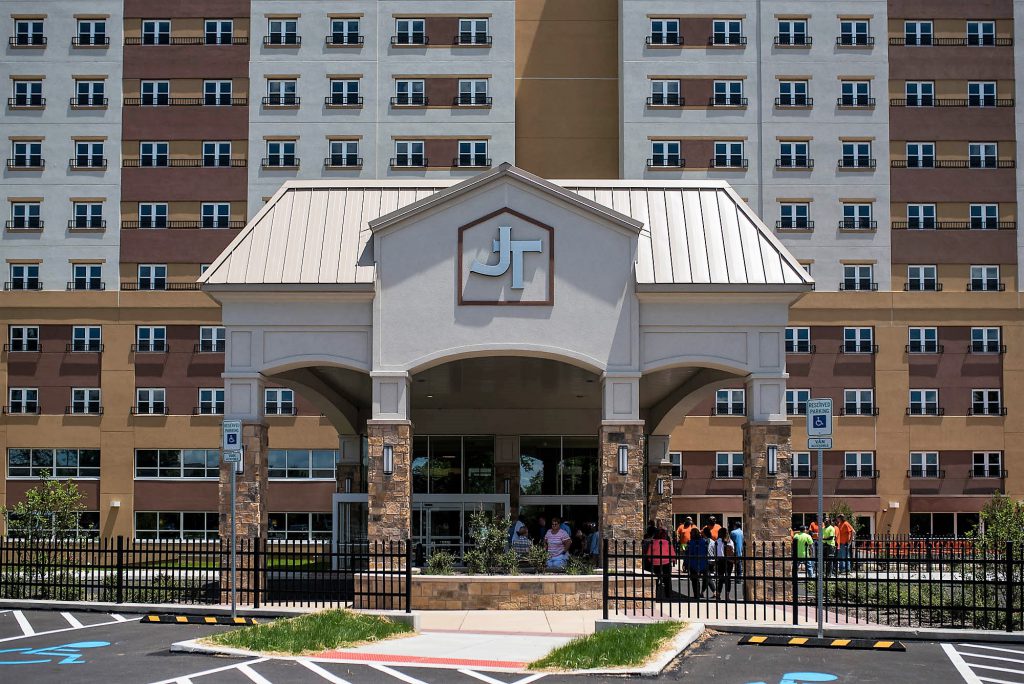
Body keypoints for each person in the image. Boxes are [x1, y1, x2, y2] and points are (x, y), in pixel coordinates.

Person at [644, 528, 677, 599]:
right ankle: (668, 595)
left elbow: (649, 554)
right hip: (666, 563)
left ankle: (654, 595)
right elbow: (673, 554)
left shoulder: (652, 543)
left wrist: (652, 560)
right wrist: (672, 560)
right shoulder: (667, 543)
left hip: (655, 563)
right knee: (667, 580)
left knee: (655, 580)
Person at [685, 528, 711, 599]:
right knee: (705, 577)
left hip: (693, 563)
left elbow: (688, 553)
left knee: (695, 580)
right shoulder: (703, 541)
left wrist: (686, 563)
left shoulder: (691, 543)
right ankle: (702, 591)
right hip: (703, 562)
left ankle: (696, 595)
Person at [714, 527, 736, 599]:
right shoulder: (730, 541)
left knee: (720, 579)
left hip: (720, 561)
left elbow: (715, 553)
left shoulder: (717, 542)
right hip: (729, 561)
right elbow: (732, 551)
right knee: (728, 578)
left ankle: (718, 594)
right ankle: (727, 596)